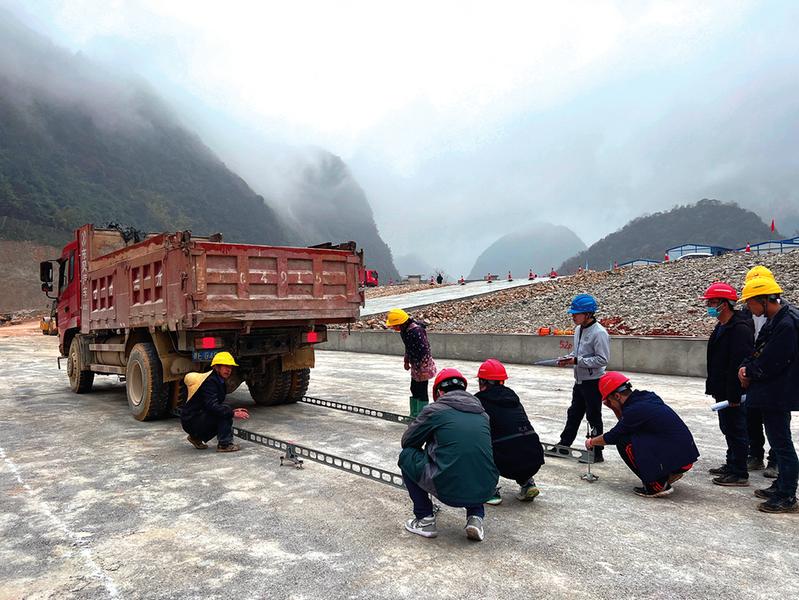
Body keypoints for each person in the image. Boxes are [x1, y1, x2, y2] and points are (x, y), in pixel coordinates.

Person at [399, 368, 499, 541]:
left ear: (439, 392)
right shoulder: (483, 414)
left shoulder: (435, 410)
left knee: (407, 456)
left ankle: (425, 519)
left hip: (448, 489)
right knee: (473, 458)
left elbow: (408, 442)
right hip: (486, 489)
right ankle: (475, 517)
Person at [738, 276, 799, 514]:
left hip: (778, 393)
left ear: (763, 300)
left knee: (782, 444)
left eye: (750, 303)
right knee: (778, 440)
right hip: (772, 391)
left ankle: (786, 495)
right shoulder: (777, 319)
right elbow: (758, 350)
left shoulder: (787, 324)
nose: (749, 308)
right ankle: (781, 485)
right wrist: (745, 367)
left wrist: (749, 372)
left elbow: (773, 361)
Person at [586, 372, 699, 498]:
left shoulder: (635, 410)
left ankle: (656, 485)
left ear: (617, 396)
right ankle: (666, 474)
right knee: (631, 435)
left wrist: (591, 442)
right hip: (684, 456)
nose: (610, 403)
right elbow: (626, 425)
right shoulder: (647, 397)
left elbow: (613, 436)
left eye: (610, 400)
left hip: (678, 458)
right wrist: (615, 408)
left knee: (623, 442)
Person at [702, 282, 753, 486]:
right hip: (721, 389)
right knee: (728, 427)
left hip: (733, 391)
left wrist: (734, 394)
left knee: (737, 429)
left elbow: (737, 363)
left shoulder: (739, 328)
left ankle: (739, 472)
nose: (709, 305)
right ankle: (731, 463)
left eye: (712, 302)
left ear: (725, 304)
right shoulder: (722, 326)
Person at [474, 359, 545, 505]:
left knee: (476, 443)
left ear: (482, 382)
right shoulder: (513, 398)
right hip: (535, 457)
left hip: (505, 462)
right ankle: (528, 484)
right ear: (502, 381)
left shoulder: (479, 401)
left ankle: (490, 490)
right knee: (516, 441)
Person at [557, 294, 610, 462]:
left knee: (593, 416)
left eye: (576, 313)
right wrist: (569, 358)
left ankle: (597, 452)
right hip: (579, 381)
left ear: (588, 313)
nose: (573, 316)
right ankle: (564, 445)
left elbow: (602, 359)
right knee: (573, 414)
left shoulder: (599, 333)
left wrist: (577, 361)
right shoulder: (579, 329)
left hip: (593, 382)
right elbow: (578, 353)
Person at [742, 265, 777, 476]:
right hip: (751, 368)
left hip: (771, 372)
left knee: (775, 418)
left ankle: (776, 460)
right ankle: (755, 455)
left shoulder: (781, 315)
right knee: (750, 414)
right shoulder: (747, 311)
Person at [181, 351, 250, 452]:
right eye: (225, 366)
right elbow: (212, 406)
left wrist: (232, 410)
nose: (228, 370)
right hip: (192, 420)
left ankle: (195, 437)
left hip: (193, 419)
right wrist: (232, 413)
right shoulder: (210, 382)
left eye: (230, 367)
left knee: (225, 410)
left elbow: (212, 405)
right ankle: (224, 445)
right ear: (216, 367)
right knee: (225, 413)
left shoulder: (217, 380)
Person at [386, 308, 437, 417]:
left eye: (394, 325)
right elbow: (408, 347)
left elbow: (425, 349)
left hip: (423, 365)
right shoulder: (404, 331)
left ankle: (422, 417)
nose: (393, 328)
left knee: (421, 390)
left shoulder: (416, 331)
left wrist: (421, 366)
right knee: (414, 388)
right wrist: (406, 361)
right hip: (415, 364)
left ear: (400, 323)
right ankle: (414, 415)